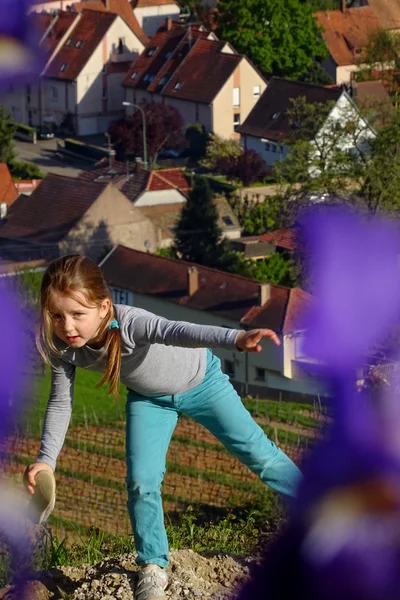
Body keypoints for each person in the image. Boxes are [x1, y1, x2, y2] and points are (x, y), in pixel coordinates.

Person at [24, 254, 301, 600]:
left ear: (104, 306)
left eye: (78, 314)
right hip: (149, 399)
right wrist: (46, 460)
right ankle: (153, 567)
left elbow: (179, 330)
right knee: (141, 481)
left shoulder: (131, 323)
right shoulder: (65, 347)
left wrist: (236, 338)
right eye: (57, 315)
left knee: (260, 455)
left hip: (203, 383)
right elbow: (60, 403)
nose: (67, 326)